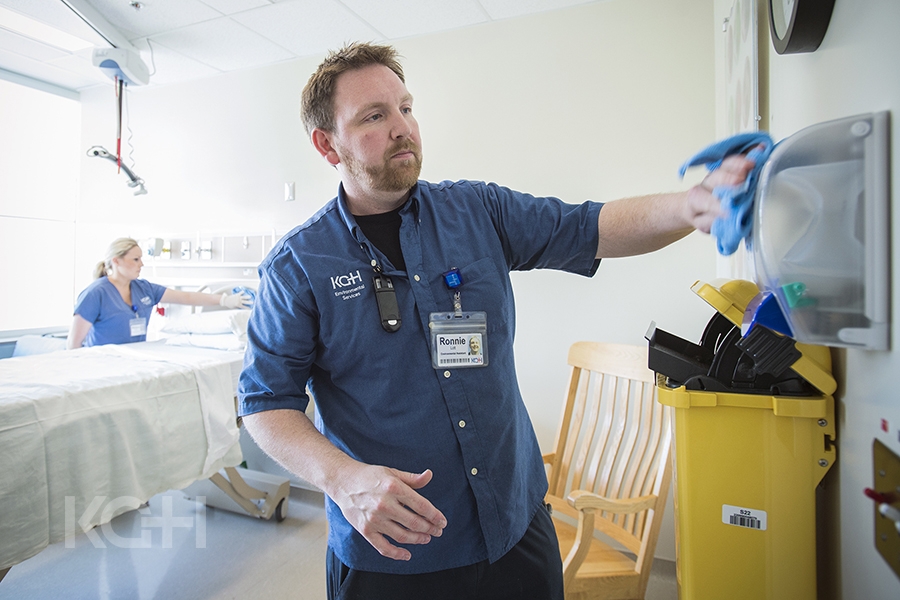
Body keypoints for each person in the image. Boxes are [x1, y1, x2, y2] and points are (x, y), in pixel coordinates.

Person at [238, 42, 756, 600]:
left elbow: (592, 226)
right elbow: (265, 405)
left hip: (514, 529)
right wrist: (341, 479)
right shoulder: (299, 266)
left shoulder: (476, 212)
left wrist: (691, 206)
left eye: (406, 108)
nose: (402, 127)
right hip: (394, 555)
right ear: (326, 144)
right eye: (374, 116)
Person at [66, 237, 252, 349]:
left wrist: (226, 300)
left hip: (133, 358)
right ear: (117, 261)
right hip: (102, 360)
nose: (141, 264)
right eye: (136, 259)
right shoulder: (95, 293)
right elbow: (74, 344)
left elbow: (187, 298)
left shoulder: (143, 288)